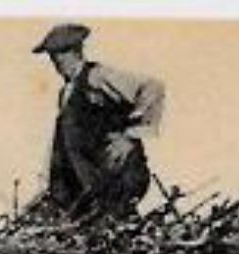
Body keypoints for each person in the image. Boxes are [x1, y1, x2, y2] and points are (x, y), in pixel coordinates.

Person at [33, 23, 166, 218]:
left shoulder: (98, 76)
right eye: (53, 54)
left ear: (77, 50)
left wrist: (129, 136)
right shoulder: (66, 93)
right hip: (91, 183)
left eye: (62, 52)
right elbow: (61, 142)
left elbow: (153, 88)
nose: (57, 60)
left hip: (117, 177)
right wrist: (47, 183)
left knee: (111, 220)